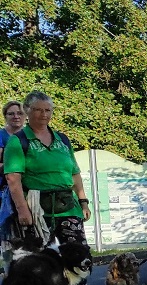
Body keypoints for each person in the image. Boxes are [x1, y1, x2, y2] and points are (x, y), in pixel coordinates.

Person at [3, 91, 91, 244]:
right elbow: (12, 178)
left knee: (78, 257)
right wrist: (22, 209)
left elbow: (74, 173)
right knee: (41, 262)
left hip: (68, 207)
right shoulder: (18, 141)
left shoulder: (62, 139)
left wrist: (83, 202)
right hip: (37, 210)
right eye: (38, 109)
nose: (44, 114)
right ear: (27, 110)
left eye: (48, 110)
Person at [1, 100, 27, 176]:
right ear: (5, 116)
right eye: (11, 114)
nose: (16, 117)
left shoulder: (32, 135)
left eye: (20, 113)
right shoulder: (1, 135)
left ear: (25, 115)